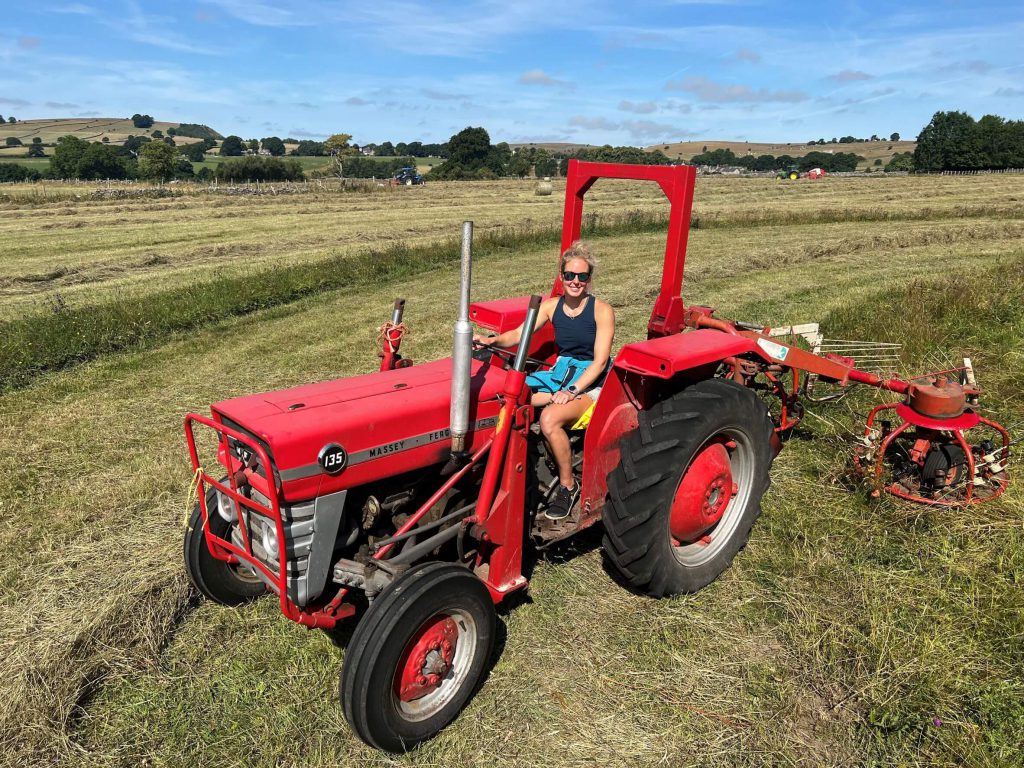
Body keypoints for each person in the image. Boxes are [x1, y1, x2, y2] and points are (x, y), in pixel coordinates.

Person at [473, 241, 615, 520]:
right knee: (509, 396)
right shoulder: (551, 307)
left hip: (592, 381)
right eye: (570, 275)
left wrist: (571, 391)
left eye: (582, 276)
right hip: (562, 372)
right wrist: (492, 341)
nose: (575, 281)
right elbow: (518, 334)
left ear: (589, 279)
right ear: (561, 276)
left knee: (549, 418)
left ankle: (568, 487)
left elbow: (599, 362)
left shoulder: (601, 310)